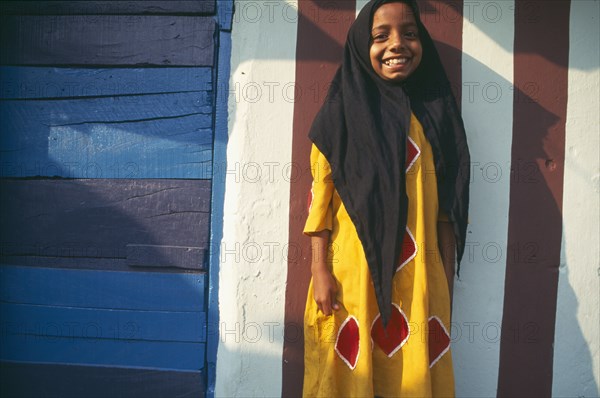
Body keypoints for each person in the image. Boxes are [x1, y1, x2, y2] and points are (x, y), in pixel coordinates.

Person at [302, 0, 470, 396]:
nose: (397, 44)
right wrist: (319, 271)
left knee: (412, 375)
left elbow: (448, 210)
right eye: (381, 36)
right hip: (350, 276)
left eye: (409, 33)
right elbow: (320, 204)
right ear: (362, 45)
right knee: (348, 372)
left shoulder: (435, 117)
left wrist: (445, 282)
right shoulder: (340, 115)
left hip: (418, 280)